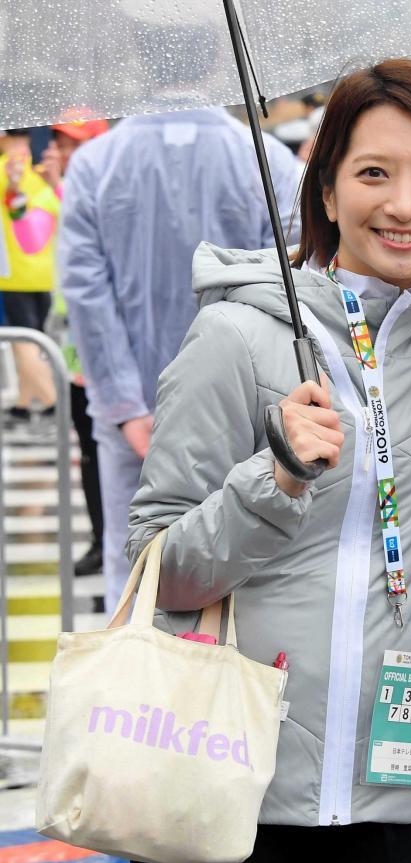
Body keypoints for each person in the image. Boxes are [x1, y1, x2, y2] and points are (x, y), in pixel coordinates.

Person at [125, 59, 411, 863]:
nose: (405, 204)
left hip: (394, 786)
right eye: (373, 173)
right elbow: (156, 567)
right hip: (220, 771)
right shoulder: (237, 336)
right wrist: (276, 480)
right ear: (326, 193)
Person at [58, 97, 302, 613]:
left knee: (134, 567)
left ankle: (127, 689)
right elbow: (289, 281)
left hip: (135, 405)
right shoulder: (267, 160)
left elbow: (85, 291)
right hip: (244, 403)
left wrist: (125, 405)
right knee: (242, 558)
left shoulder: (95, 164)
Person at [44, 109, 110, 577]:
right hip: (71, 347)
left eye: (71, 142)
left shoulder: (103, 190)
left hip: (103, 347)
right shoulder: (46, 193)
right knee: (88, 450)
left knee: (110, 446)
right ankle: (99, 537)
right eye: (60, 142)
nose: (60, 151)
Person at [0, 128, 59, 421]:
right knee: (32, 339)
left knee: (24, 342)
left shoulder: (5, 172)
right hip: (43, 273)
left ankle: (54, 400)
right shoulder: (40, 174)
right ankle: (24, 403)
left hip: (11, 275)